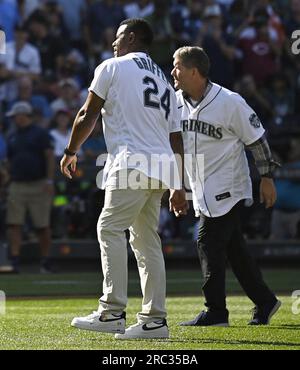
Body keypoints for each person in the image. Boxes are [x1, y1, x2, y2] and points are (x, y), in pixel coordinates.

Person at [60, 18, 186, 339]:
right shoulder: (165, 82)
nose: (113, 43)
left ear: (130, 37)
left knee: (110, 227)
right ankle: (154, 321)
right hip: (161, 168)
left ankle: (112, 311)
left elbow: (87, 113)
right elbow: (176, 139)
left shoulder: (112, 66)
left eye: (117, 37)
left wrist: (71, 150)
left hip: (131, 162)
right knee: (146, 241)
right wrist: (179, 182)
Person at [171, 46, 281, 326]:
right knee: (234, 249)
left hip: (228, 184)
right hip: (199, 186)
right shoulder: (175, 102)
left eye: (177, 67)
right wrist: (177, 186)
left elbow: (257, 139)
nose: (173, 72)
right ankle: (265, 300)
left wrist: (267, 178)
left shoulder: (230, 101)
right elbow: (175, 147)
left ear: (194, 72)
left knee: (206, 241)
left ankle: (216, 311)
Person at [5, 101, 55, 274]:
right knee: (14, 224)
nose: (14, 119)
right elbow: (10, 160)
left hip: (39, 184)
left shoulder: (40, 134)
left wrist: (49, 181)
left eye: (16, 116)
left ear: (24, 115)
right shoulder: (12, 135)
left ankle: (46, 261)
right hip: (17, 184)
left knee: (42, 226)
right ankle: (15, 260)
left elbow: (49, 157)